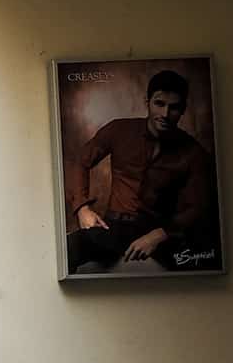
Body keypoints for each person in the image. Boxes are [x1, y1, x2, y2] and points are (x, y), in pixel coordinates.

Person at [64, 70, 218, 273]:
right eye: (159, 103)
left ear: (183, 109)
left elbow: (198, 207)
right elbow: (79, 161)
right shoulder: (119, 130)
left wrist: (160, 234)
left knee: (205, 259)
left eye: (174, 107)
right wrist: (82, 209)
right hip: (114, 228)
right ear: (148, 102)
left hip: (160, 233)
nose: (165, 114)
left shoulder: (194, 153)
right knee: (68, 248)